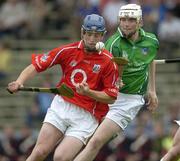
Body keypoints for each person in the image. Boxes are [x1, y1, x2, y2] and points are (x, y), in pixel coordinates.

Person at [7, 14, 119, 161]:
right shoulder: (67, 50)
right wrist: (19, 81)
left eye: (96, 35)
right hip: (62, 106)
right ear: (82, 33)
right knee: (39, 152)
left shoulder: (108, 61)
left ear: (103, 36)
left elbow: (111, 97)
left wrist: (88, 92)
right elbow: (37, 65)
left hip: (86, 117)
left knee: (61, 157)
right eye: (89, 34)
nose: (92, 39)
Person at [74, 4, 159, 161]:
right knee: (84, 139)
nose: (126, 23)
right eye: (123, 19)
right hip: (110, 95)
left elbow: (150, 59)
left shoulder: (151, 41)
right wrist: (114, 81)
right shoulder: (113, 44)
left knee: (95, 142)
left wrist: (152, 90)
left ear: (140, 22)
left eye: (131, 20)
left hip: (130, 100)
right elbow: (102, 71)